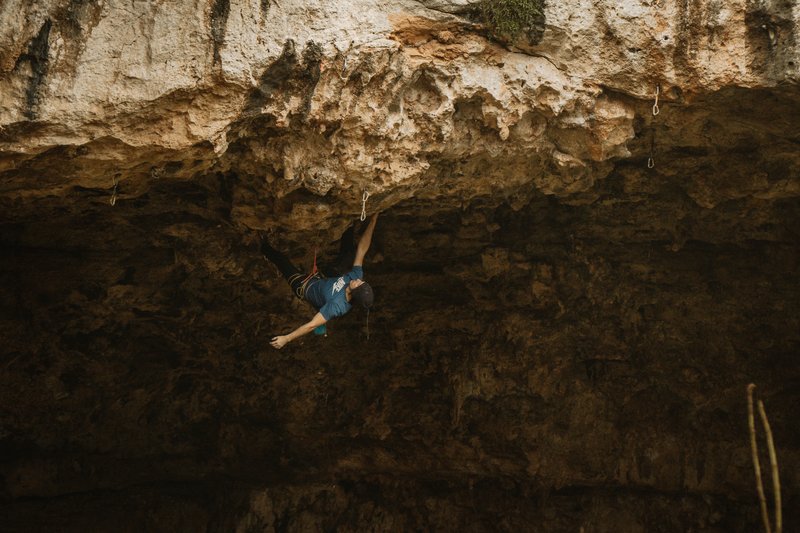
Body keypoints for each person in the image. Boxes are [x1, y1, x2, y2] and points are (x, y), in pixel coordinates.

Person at [261, 213, 379, 349]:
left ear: (354, 292)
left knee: (282, 260)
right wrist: (373, 221)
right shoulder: (356, 277)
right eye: (361, 281)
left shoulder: (336, 306)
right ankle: (349, 223)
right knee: (348, 254)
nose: (358, 280)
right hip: (323, 278)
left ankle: (262, 245)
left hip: (304, 286)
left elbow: (312, 325)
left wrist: (287, 338)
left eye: (358, 283)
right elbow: (362, 249)